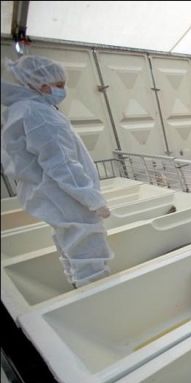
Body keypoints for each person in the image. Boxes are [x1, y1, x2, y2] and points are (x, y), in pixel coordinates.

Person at [1, 55, 113, 288]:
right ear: (41, 85)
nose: (63, 91)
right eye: (59, 85)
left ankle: (78, 287)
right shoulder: (38, 113)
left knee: (70, 243)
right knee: (88, 249)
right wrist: (92, 198)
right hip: (64, 194)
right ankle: (97, 299)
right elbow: (61, 163)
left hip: (49, 192)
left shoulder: (24, 109)